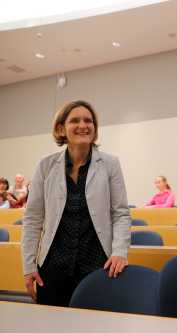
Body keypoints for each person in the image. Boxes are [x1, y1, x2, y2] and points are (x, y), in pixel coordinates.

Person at [22, 100, 131, 306]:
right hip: (53, 267)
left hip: (98, 264)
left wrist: (119, 252)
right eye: (75, 120)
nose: (83, 125)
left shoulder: (110, 164)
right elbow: (33, 218)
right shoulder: (45, 166)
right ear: (61, 128)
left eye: (88, 120)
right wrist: (29, 265)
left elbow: (120, 214)